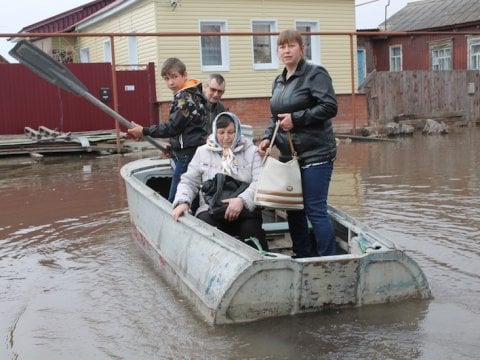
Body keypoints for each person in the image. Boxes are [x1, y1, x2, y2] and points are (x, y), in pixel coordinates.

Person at [258, 29, 338, 258]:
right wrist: (266, 138)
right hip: (288, 156)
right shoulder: (279, 81)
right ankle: (302, 256)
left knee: (315, 209)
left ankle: (330, 259)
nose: (286, 51)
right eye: (282, 47)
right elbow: (276, 117)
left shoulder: (315, 73)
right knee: (293, 209)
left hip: (316, 154)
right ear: (278, 52)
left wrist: (297, 119)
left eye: (291, 46)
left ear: (301, 49)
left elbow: (330, 107)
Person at [172, 112, 268, 251]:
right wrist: (183, 202)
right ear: (215, 132)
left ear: (238, 131)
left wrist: (241, 200)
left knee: (252, 233)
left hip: (245, 210)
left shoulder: (252, 152)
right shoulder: (202, 152)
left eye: (231, 132)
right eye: (221, 132)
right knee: (206, 233)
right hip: (211, 209)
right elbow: (189, 181)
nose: (226, 137)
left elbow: (259, 182)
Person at [128, 57, 207, 203]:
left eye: (174, 77)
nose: (170, 82)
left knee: (176, 197)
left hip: (187, 155)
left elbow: (172, 127)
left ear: (184, 75)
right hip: (190, 151)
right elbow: (187, 128)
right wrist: (174, 144)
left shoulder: (185, 98)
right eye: (166, 79)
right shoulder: (193, 94)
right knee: (192, 195)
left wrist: (144, 131)